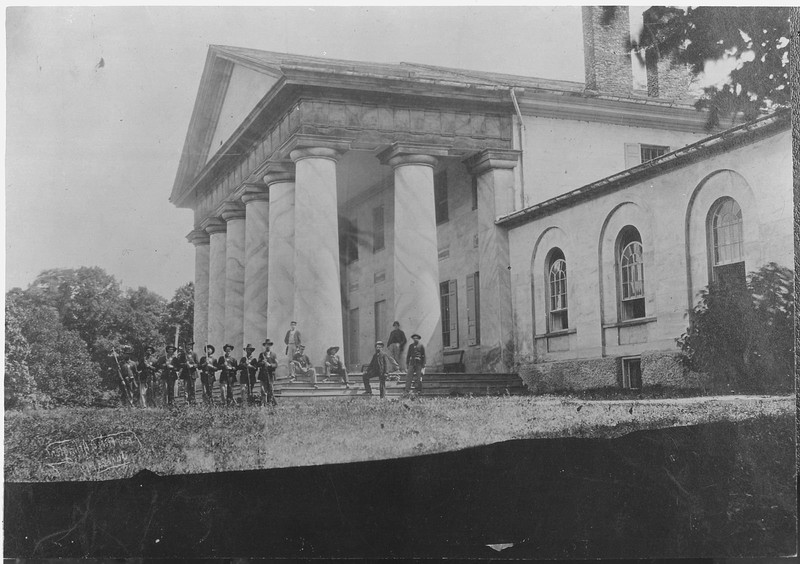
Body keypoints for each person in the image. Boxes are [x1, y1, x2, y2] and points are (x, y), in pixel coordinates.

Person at [257, 339, 279, 406]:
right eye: (266, 345)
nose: (268, 346)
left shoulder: (274, 355)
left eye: (269, 345)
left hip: (270, 375)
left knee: (271, 390)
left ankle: (272, 403)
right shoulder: (261, 354)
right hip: (263, 375)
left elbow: (276, 364)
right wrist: (262, 363)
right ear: (265, 346)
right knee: (263, 390)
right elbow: (258, 364)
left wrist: (270, 365)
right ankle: (264, 404)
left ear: (270, 346)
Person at [178, 341, 199, 406]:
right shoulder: (183, 354)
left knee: (193, 388)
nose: (188, 347)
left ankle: (193, 400)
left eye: (190, 345)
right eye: (187, 345)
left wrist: (192, 365)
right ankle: (186, 401)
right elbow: (179, 364)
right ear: (186, 346)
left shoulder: (194, 354)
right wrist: (185, 364)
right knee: (186, 388)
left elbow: (198, 364)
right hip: (185, 374)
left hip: (193, 373)